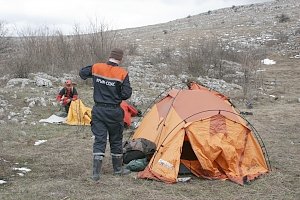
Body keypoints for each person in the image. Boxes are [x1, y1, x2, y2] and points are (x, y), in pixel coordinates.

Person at [79, 48, 132, 181]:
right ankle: (118, 170)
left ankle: (96, 174)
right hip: (114, 111)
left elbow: (82, 73)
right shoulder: (122, 73)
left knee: (100, 139)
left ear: (110, 56)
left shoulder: (97, 67)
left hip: (99, 110)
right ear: (120, 59)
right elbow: (127, 94)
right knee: (115, 139)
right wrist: (115, 93)